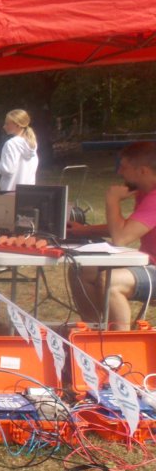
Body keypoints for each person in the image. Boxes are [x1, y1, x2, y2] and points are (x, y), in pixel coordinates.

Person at [69, 141, 156, 330]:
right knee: (81, 269)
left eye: (123, 167)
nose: (119, 172)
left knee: (112, 282)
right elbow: (130, 227)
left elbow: (121, 238)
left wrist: (112, 199)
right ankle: (94, 330)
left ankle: (118, 343)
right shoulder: (145, 193)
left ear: (142, 171)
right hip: (149, 263)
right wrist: (83, 230)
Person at [0, 109, 38, 191]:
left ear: (17, 125)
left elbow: (7, 169)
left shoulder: (11, 144)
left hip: (11, 192)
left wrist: (0, 164)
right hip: (29, 191)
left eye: (7, 124)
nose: (4, 126)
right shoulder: (31, 143)